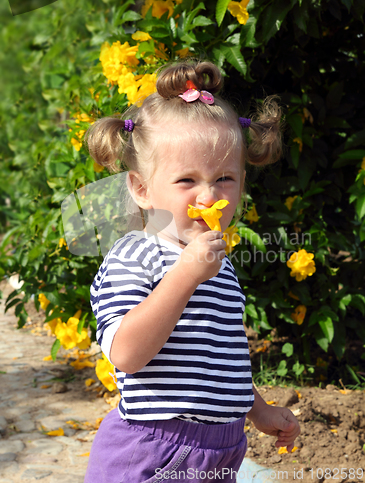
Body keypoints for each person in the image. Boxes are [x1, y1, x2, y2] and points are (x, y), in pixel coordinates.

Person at [83, 60, 300, 483]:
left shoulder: (220, 267)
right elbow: (126, 354)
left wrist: (258, 411)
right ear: (142, 189)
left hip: (220, 453)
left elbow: (220, 360)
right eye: (187, 180)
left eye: (225, 178)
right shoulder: (136, 255)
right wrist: (183, 277)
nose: (209, 194)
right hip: (154, 451)